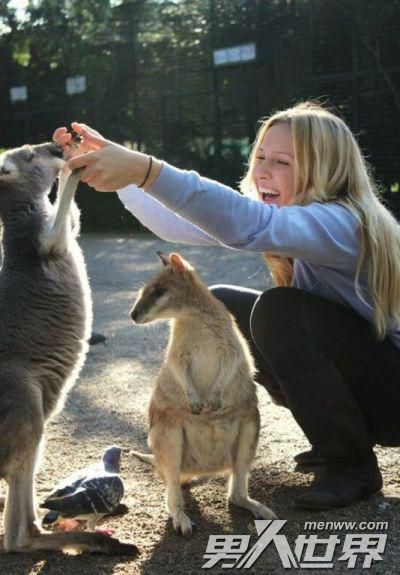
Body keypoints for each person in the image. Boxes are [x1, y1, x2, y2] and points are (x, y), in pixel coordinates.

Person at [53, 101, 400, 511]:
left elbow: (242, 223)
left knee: (279, 311)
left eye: (283, 163)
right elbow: (180, 224)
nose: (264, 171)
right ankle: (336, 438)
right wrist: (121, 176)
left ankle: (353, 465)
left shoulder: (345, 222)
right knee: (223, 305)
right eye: (261, 158)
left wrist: (145, 170)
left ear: (327, 170)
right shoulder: (297, 217)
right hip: (374, 384)